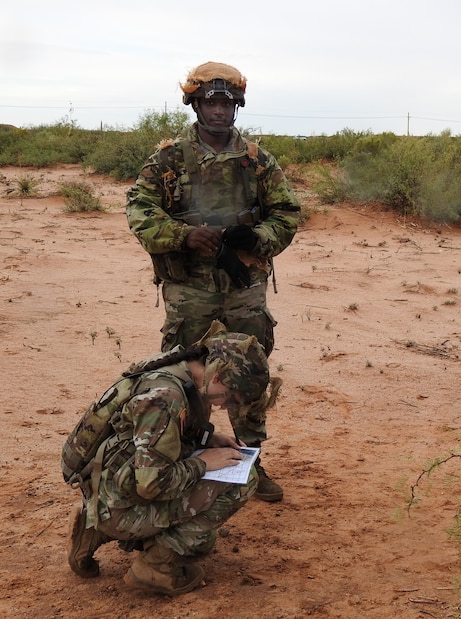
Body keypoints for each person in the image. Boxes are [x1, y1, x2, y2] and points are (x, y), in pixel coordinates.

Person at [126, 61, 300, 502]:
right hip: (190, 290)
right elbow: (141, 213)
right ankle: (183, 462)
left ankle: (251, 463)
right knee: (184, 376)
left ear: (236, 105)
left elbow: (287, 213)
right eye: (210, 101)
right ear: (195, 103)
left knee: (247, 373)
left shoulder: (257, 161)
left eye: (226, 102)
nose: (218, 110)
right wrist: (183, 236)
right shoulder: (168, 159)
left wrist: (258, 238)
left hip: (243, 286)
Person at [64, 323, 274, 595]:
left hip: (109, 488)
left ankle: (95, 529)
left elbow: (155, 437)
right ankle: (154, 567)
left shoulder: (180, 368)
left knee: (201, 543)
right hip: (124, 501)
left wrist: (206, 438)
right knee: (243, 480)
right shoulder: (165, 398)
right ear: (218, 377)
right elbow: (152, 485)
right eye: (232, 398)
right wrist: (203, 463)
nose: (225, 406)